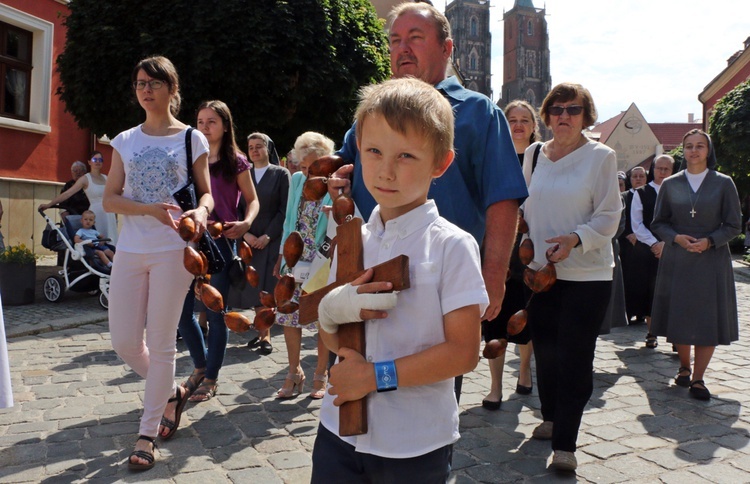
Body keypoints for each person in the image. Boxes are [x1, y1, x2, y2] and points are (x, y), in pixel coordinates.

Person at [329, 1, 528, 402]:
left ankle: (419, 460)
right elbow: (345, 169)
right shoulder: (371, 114)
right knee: (355, 382)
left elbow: (503, 198)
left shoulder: (478, 113)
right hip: (369, 275)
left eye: (415, 39)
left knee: (427, 391)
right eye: (395, 40)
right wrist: (337, 184)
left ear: (447, 49)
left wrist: (492, 275)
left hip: (438, 279)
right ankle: (355, 456)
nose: (402, 48)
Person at [311, 76, 488, 484]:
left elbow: (463, 353)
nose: (386, 171)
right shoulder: (351, 239)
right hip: (338, 431)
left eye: (406, 156)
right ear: (357, 150)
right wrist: (328, 317)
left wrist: (375, 377)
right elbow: (339, 341)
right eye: (374, 151)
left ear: (440, 163)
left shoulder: (451, 247)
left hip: (413, 441)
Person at [103, 56, 212, 471]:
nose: (145, 89)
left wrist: (201, 213)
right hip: (132, 247)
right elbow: (111, 198)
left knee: (162, 340)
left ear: (171, 87)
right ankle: (171, 393)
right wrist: (148, 209)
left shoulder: (191, 139)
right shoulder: (124, 140)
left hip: (174, 251)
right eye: (139, 83)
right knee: (126, 343)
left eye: (153, 82)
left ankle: (147, 433)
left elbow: (206, 194)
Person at [522, 82, 621, 471]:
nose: (564, 116)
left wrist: (576, 239)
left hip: (587, 276)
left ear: (586, 117)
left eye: (573, 109)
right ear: (546, 116)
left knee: (575, 356)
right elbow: (525, 206)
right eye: (557, 108)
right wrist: (526, 237)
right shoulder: (533, 155)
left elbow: (609, 216)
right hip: (539, 274)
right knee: (544, 351)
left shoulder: (601, 157)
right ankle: (550, 416)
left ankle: (566, 442)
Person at [177, 100, 259, 402]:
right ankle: (199, 367)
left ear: (225, 125)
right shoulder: (187, 159)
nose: (204, 127)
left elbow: (252, 200)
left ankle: (211, 378)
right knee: (182, 313)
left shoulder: (236, 161)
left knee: (216, 312)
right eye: (200, 121)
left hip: (221, 240)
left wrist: (247, 222)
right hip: (190, 241)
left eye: (211, 121)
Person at [650, 129, 741, 401]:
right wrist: (676, 237)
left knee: (706, 319)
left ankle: (699, 378)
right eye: (689, 146)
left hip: (711, 261)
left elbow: (734, 224)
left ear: (708, 150)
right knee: (680, 314)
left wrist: (711, 241)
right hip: (678, 258)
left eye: (700, 146)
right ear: (683, 151)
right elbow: (658, 223)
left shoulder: (724, 183)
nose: (694, 151)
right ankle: (683, 367)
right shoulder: (671, 184)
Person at [482, 100, 538, 410]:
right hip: (497, 247)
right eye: (512, 119)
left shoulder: (544, 157)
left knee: (525, 313)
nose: (518, 124)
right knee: (496, 315)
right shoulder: (495, 157)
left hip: (530, 249)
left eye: (524, 119)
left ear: (533, 126)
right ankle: (494, 386)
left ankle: (525, 368)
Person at [273, 131, 333, 400]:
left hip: (322, 261)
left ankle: (322, 373)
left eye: (313, 167)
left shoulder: (335, 184)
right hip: (295, 257)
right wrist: (282, 256)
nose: (308, 172)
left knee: (322, 320)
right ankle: (293, 371)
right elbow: (288, 220)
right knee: (288, 315)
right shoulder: (297, 180)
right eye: (305, 166)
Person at [227, 132, 290, 355]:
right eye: (250, 146)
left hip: (270, 241)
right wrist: (246, 235)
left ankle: (265, 336)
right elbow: (237, 207)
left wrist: (268, 236)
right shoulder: (243, 174)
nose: (254, 150)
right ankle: (262, 331)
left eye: (259, 146)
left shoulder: (281, 174)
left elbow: (285, 209)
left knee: (267, 290)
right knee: (254, 289)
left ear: (268, 148)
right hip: (249, 241)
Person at [631, 155, 675, 348]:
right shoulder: (641, 193)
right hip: (649, 251)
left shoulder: (680, 191)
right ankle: (651, 332)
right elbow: (636, 223)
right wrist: (654, 244)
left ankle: (676, 337)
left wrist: (667, 243)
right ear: (653, 169)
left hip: (674, 248)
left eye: (667, 169)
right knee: (650, 291)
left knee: (673, 292)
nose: (663, 172)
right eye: (659, 168)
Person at [40, 151, 119, 245]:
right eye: (95, 159)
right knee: (97, 244)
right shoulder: (85, 179)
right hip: (96, 214)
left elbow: (114, 196)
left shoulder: (106, 178)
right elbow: (67, 194)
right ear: (89, 162)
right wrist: (49, 204)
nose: (97, 162)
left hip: (109, 215)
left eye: (100, 159)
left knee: (111, 243)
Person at [619, 166, 648, 324]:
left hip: (644, 245)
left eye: (641, 176)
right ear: (630, 179)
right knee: (627, 279)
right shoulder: (623, 197)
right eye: (635, 176)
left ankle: (642, 313)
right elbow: (618, 220)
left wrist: (640, 235)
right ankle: (627, 311)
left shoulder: (650, 195)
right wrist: (628, 234)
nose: (638, 179)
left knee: (643, 280)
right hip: (626, 244)